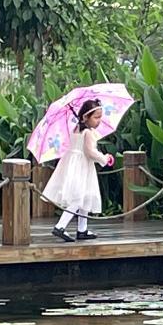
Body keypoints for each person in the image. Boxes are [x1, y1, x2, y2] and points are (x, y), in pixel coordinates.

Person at [43, 98, 115, 242]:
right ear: (85, 117)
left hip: (74, 163)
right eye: (96, 117)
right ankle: (60, 226)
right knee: (78, 198)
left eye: (100, 117)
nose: (99, 120)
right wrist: (105, 158)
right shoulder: (88, 133)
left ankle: (82, 229)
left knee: (86, 196)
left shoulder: (75, 129)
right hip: (82, 166)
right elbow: (90, 152)